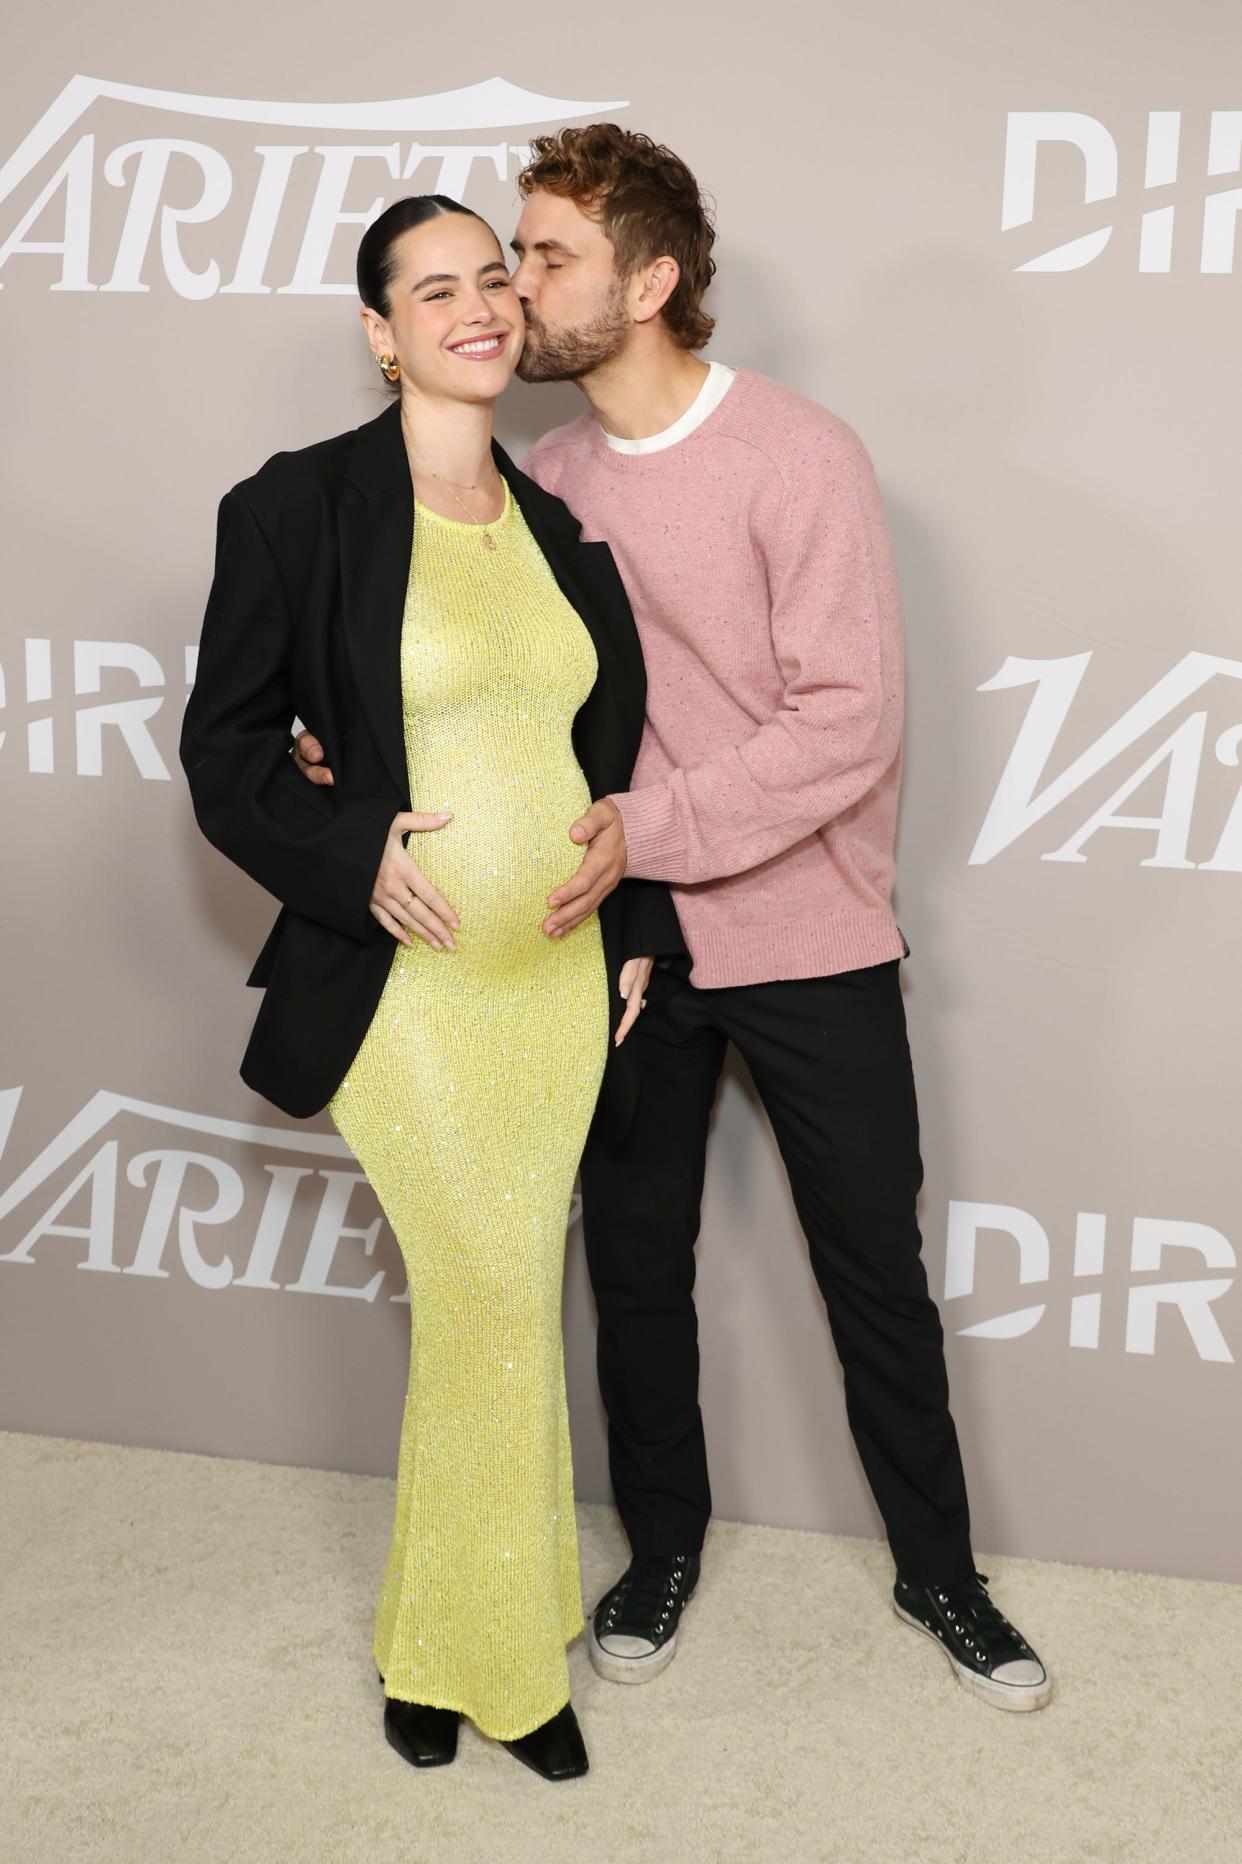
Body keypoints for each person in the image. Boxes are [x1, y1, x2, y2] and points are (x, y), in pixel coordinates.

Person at [294, 128, 1052, 1714]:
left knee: (873, 1274)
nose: (512, 286)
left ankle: (941, 1576)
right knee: (636, 1269)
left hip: (812, 937)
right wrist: (333, 757)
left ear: (648, 283)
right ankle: (661, 1550)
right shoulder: (536, 484)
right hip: (615, 945)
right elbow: (483, 704)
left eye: (545, 255)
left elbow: (846, 720)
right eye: (501, 255)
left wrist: (657, 825)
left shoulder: (799, 455)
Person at [180, 192, 681, 1782]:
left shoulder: (556, 524)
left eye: (492, 280)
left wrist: (638, 921)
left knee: (499, 1304)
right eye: (434, 289)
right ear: (378, 333)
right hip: (409, 981)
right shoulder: (298, 507)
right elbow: (227, 745)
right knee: (482, 1291)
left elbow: (599, 759)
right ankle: (508, 1678)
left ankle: (432, 1640)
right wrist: (346, 857)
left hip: (553, 982)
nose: (476, 308)